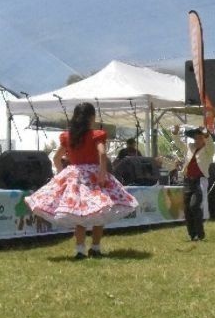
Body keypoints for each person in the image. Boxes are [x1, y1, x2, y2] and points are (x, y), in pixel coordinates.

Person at [26, 102, 138, 259]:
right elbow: (103, 154)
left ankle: (80, 250)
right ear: (92, 117)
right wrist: (102, 172)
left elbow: (57, 158)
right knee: (100, 210)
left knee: (79, 215)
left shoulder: (69, 137)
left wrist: (61, 174)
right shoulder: (95, 135)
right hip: (93, 177)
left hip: (75, 176)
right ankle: (96, 248)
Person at [173, 125, 215, 241]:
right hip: (188, 181)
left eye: (200, 138)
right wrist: (175, 133)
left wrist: (206, 134)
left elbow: (211, 145)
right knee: (187, 209)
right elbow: (179, 144)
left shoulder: (209, 151)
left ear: (204, 139)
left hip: (200, 181)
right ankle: (192, 235)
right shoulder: (190, 147)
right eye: (196, 138)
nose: (197, 140)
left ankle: (200, 233)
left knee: (194, 206)